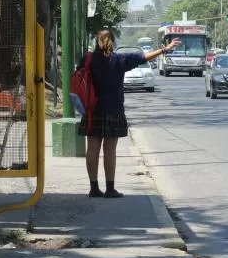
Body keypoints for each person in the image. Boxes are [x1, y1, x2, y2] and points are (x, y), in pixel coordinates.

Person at [77, 30, 180, 198]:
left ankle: (93, 188)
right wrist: (164, 49)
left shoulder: (88, 59)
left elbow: (79, 76)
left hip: (92, 110)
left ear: (96, 41)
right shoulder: (119, 60)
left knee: (92, 149)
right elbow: (144, 58)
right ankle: (110, 189)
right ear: (113, 42)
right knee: (110, 150)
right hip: (114, 110)